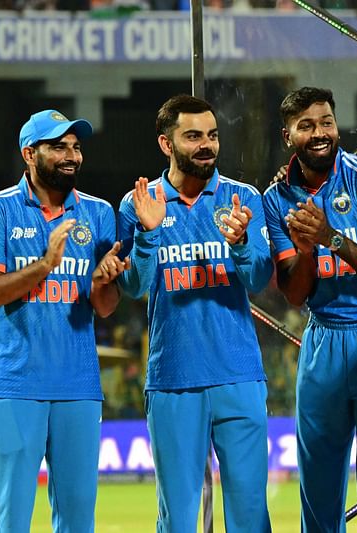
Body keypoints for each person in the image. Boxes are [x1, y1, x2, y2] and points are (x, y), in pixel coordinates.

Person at [117, 95, 273, 532]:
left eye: (212, 135)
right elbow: (132, 286)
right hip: (173, 380)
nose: (206, 145)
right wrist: (147, 235)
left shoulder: (243, 198)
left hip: (239, 375)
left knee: (249, 514)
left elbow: (259, 277)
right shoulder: (139, 204)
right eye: (193, 137)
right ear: (167, 145)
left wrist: (241, 244)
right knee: (181, 518)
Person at [262, 86, 357, 533]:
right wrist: (307, 250)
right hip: (323, 336)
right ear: (288, 134)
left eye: (326, 122)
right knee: (319, 482)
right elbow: (294, 293)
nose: (320, 133)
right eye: (306, 125)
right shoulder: (276, 199)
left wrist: (330, 237)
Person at [0, 109, 129, 530]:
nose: (71, 155)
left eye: (75, 147)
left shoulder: (97, 214)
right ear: (29, 154)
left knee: (78, 521)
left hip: (79, 387)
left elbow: (106, 306)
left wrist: (101, 281)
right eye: (58, 147)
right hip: (17, 386)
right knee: (12, 521)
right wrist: (44, 266)